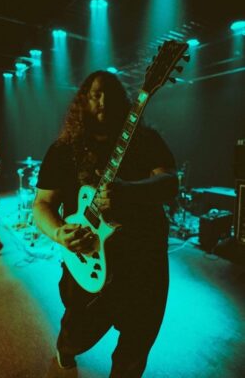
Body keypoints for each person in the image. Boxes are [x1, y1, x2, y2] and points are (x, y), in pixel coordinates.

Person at [33, 70, 178, 377]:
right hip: (89, 256)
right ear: (82, 100)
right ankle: (67, 347)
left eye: (110, 93)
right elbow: (43, 204)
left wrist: (130, 191)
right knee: (77, 331)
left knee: (136, 345)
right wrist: (59, 232)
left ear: (124, 100)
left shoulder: (145, 139)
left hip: (144, 259)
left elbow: (169, 183)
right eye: (95, 93)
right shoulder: (63, 150)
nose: (103, 100)